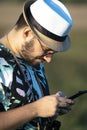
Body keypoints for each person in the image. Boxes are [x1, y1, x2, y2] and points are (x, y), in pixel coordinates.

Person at [0, 0, 74, 130]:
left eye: (53, 53)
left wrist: (52, 107)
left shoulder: (34, 59)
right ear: (27, 33)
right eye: (46, 50)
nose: (48, 59)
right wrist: (36, 109)